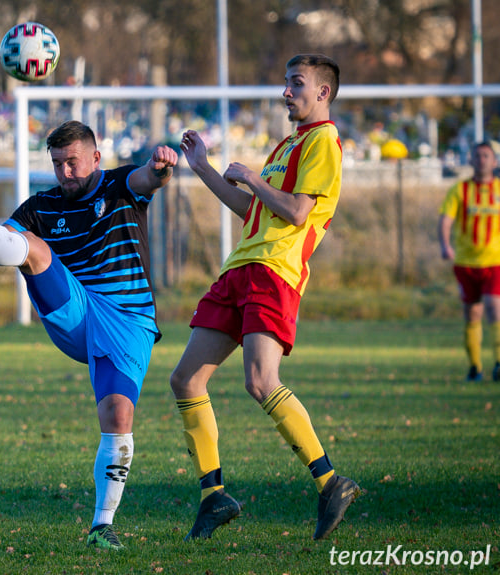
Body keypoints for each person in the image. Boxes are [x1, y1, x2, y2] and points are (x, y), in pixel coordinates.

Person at [0, 120, 178, 550]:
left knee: (118, 417)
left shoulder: (121, 185)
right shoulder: (42, 206)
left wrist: (161, 167)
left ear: (95, 158)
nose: (66, 172)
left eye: (73, 162)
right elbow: (1, 242)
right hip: (76, 311)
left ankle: (101, 527)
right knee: (31, 245)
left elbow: (151, 177)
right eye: (57, 164)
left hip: (128, 323)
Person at [171, 54, 360, 542]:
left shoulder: (324, 141)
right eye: (285, 83)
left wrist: (254, 178)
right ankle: (214, 497)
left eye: (296, 84)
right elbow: (250, 208)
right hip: (240, 267)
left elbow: (298, 213)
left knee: (260, 380)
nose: (286, 92)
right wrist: (204, 169)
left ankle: (330, 482)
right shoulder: (287, 145)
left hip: (275, 271)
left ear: (323, 92)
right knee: (186, 380)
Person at [438, 142, 500, 382]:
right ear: (471, 160)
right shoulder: (459, 190)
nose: (481, 160)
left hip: (495, 261)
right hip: (465, 262)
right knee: (472, 313)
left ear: (494, 162)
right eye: (477, 156)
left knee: (494, 309)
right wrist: (445, 245)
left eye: (486, 156)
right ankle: (475, 367)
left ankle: (498, 363)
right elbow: (445, 220)